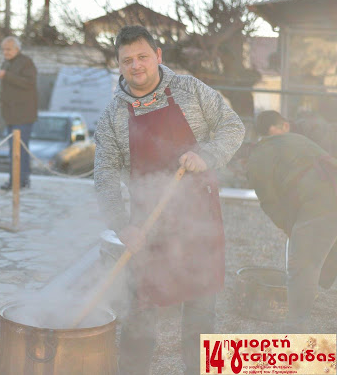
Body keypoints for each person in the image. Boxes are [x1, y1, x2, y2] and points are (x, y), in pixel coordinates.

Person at [94, 25, 244, 375]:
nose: (136, 66)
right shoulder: (112, 117)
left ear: (158, 56)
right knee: (140, 308)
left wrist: (207, 154)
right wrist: (121, 225)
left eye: (143, 56)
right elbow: (104, 178)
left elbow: (232, 126)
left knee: (201, 307)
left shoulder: (190, 90)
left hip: (199, 217)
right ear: (118, 65)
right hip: (147, 224)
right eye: (127, 60)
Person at [248, 110, 337, 333]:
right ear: (283, 126)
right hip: (328, 195)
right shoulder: (300, 139)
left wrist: (290, 228)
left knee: (302, 264)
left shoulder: (258, 156)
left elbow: (269, 203)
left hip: (322, 203)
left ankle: (296, 325)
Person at [0, 36, 37, 190]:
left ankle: (17, 182)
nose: (5, 52)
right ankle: (21, 180)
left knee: (18, 151)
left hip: (23, 114)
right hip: (10, 115)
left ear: (17, 49)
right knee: (16, 150)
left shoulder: (26, 62)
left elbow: (28, 82)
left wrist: (6, 75)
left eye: (8, 49)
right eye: (3, 49)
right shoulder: (6, 63)